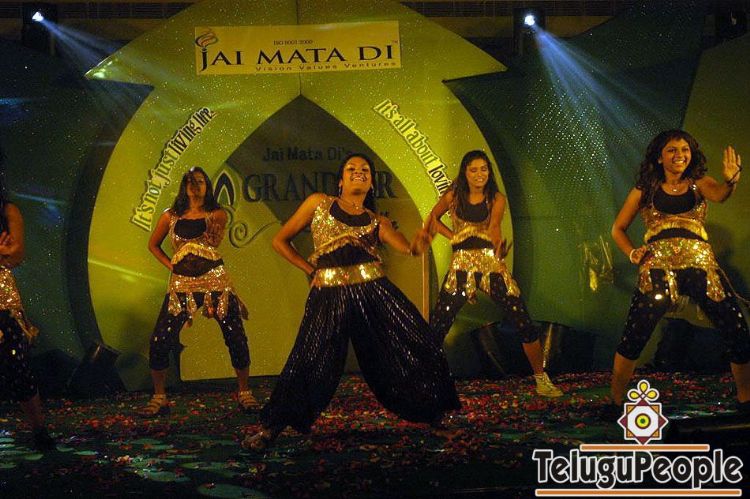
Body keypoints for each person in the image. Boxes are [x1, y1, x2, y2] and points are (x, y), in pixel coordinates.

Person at [242, 153, 460, 450]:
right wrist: (310, 270)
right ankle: (271, 429)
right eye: (351, 168)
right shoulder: (319, 203)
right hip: (329, 294)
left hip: (373, 293)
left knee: (414, 343)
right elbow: (280, 241)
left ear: (371, 184)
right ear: (340, 181)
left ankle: (435, 416)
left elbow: (409, 248)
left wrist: (421, 242)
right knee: (310, 359)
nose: (359, 172)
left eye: (365, 170)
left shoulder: (377, 221)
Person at [606, 129, 749, 414]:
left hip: (699, 264)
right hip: (658, 265)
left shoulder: (699, 183)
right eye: (672, 150)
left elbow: (720, 194)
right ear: (660, 157)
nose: (679, 155)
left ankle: (746, 399)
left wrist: (731, 181)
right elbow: (618, 228)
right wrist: (632, 253)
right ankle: (615, 402)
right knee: (636, 332)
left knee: (736, 329)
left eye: (684, 149)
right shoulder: (645, 190)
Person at [426, 150, 563, 397]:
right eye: (474, 170)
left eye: (484, 169)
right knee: (438, 324)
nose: (479, 174)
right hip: (461, 267)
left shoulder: (496, 198)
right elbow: (433, 218)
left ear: (489, 172)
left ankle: (541, 380)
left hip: (490, 265)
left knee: (522, 320)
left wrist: (498, 244)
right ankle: (424, 379)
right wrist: (453, 237)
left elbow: (495, 226)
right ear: (465, 172)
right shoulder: (453, 196)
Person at [140, 167, 254, 416]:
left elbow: (213, 243)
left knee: (235, 336)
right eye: (191, 181)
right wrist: (172, 265)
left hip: (215, 281)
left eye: (200, 181)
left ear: (207, 186)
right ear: (184, 186)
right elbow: (153, 245)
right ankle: (159, 396)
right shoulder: (169, 216)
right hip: (182, 284)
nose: (195, 185)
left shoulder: (217, 214)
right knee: (160, 339)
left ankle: (245, 392)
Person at [0, 176, 55, 450]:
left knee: (17, 364)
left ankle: (39, 429)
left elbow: (16, 255)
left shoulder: (7, 211)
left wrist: (6, 252)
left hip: (3, 300)